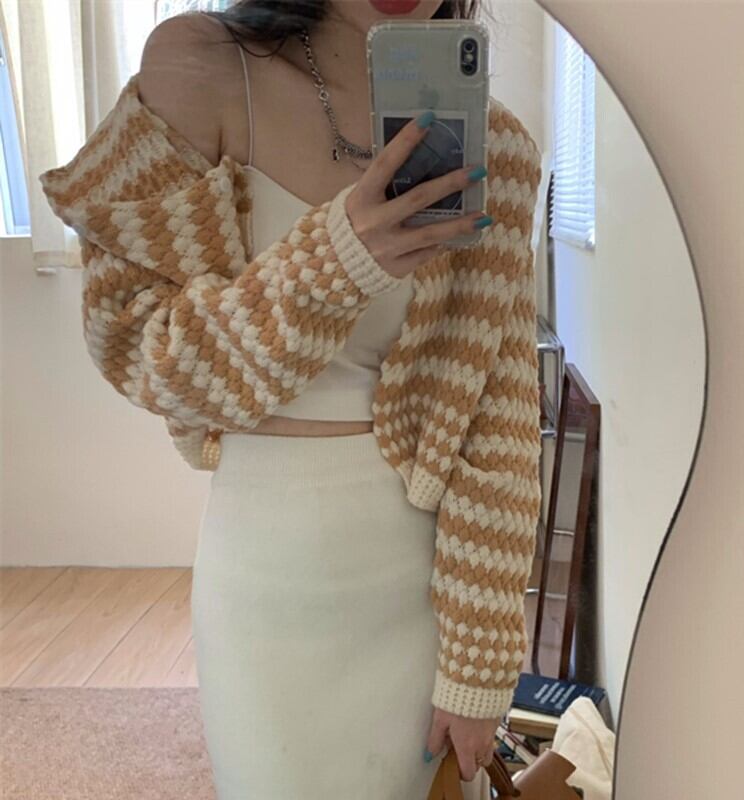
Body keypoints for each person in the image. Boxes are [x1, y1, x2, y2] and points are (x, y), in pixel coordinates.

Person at [40, 0, 542, 797]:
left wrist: (480, 663)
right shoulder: (202, 67)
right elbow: (137, 348)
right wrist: (337, 262)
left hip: (424, 592)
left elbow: (500, 419)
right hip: (266, 587)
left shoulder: (497, 150)